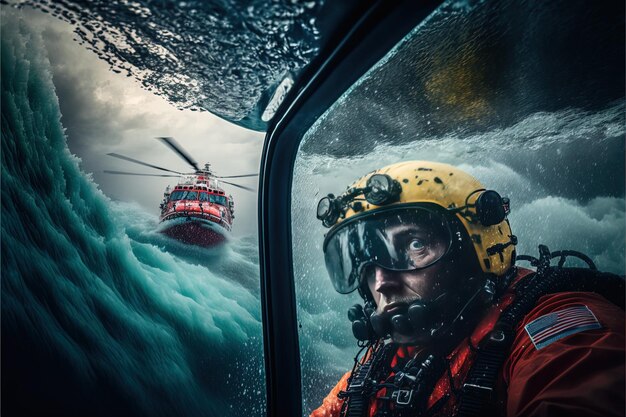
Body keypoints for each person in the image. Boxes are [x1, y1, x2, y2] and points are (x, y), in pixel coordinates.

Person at [311, 161, 625, 417]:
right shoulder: (385, 361)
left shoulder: (562, 332)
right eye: (366, 261)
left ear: (476, 250)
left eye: (415, 245)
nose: (381, 283)